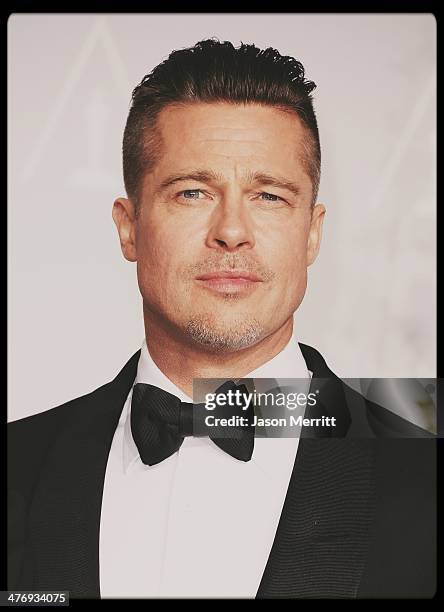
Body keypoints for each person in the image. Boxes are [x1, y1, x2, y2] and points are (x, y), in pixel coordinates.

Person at [8, 38, 436, 599]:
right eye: (192, 192)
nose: (231, 230)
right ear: (128, 227)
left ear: (312, 233)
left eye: (269, 197)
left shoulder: (425, 473)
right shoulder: (18, 466)